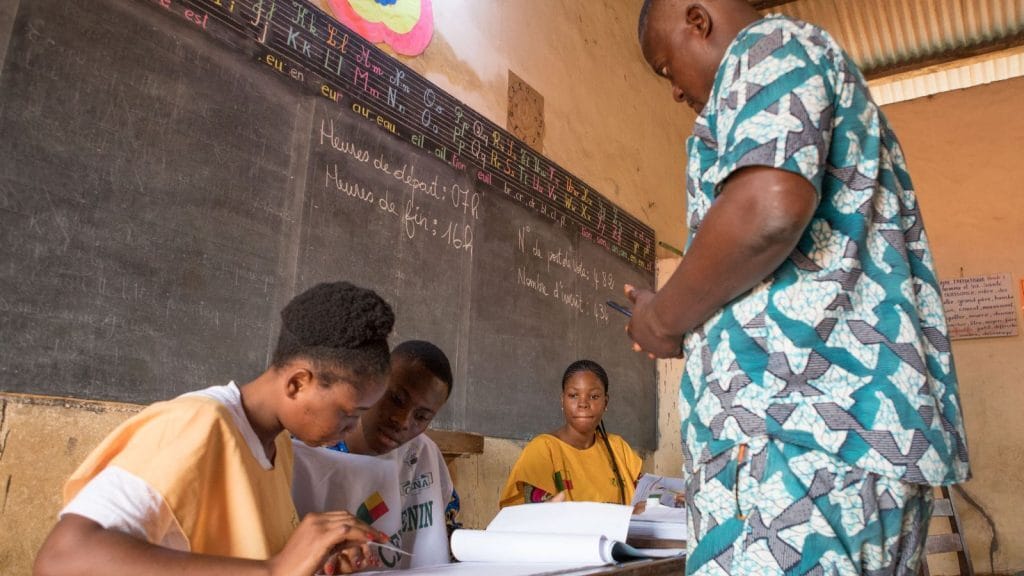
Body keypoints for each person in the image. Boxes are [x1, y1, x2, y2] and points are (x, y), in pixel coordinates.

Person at [628, 1, 971, 573]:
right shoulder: (817, 68)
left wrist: (663, 318)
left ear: (697, 20)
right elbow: (797, 278)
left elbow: (768, 208)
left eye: (666, 68)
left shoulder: (766, 46)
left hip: (792, 446)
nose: (672, 91)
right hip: (848, 442)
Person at [34, 281, 396, 576]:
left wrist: (314, 559)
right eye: (350, 412)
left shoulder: (278, 445)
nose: (353, 427)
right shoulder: (197, 423)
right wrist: (274, 570)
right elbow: (63, 558)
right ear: (298, 384)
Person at [291, 340, 459, 570]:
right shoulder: (307, 448)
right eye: (396, 399)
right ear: (374, 381)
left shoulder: (422, 453)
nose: (402, 421)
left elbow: (448, 534)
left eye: (421, 416)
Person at [499, 360, 642, 507]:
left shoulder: (618, 448)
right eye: (573, 395)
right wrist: (545, 506)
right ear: (562, 401)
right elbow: (527, 508)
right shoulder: (544, 448)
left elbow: (645, 497)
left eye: (594, 396)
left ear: (605, 402)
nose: (583, 404)